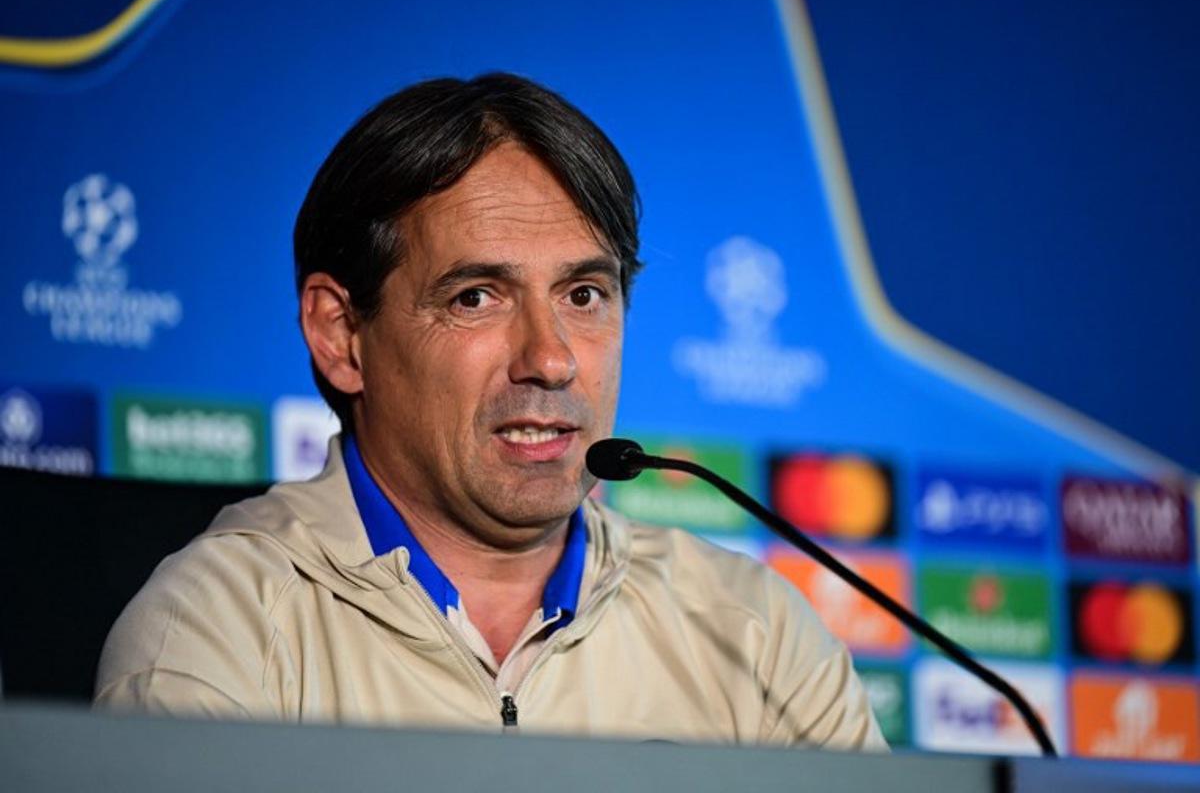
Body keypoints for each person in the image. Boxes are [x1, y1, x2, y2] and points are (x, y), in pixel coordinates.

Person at [95, 73, 885, 749]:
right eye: (476, 297)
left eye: (584, 295)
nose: (550, 357)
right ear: (342, 333)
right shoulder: (218, 633)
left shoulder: (756, 638)